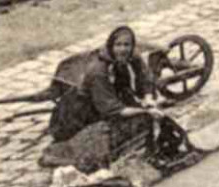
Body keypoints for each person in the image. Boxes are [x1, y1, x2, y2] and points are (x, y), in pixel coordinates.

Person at [41, 26, 190, 173]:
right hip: (80, 116)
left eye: (127, 45)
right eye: (118, 45)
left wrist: (149, 98)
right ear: (111, 46)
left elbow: (144, 77)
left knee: (147, 117)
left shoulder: (132, 56)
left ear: (132, 46)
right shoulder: (98, 72)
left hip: (108, 101)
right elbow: (113, 110)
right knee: (126, 129)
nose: (123, 49)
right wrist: (145, 110)